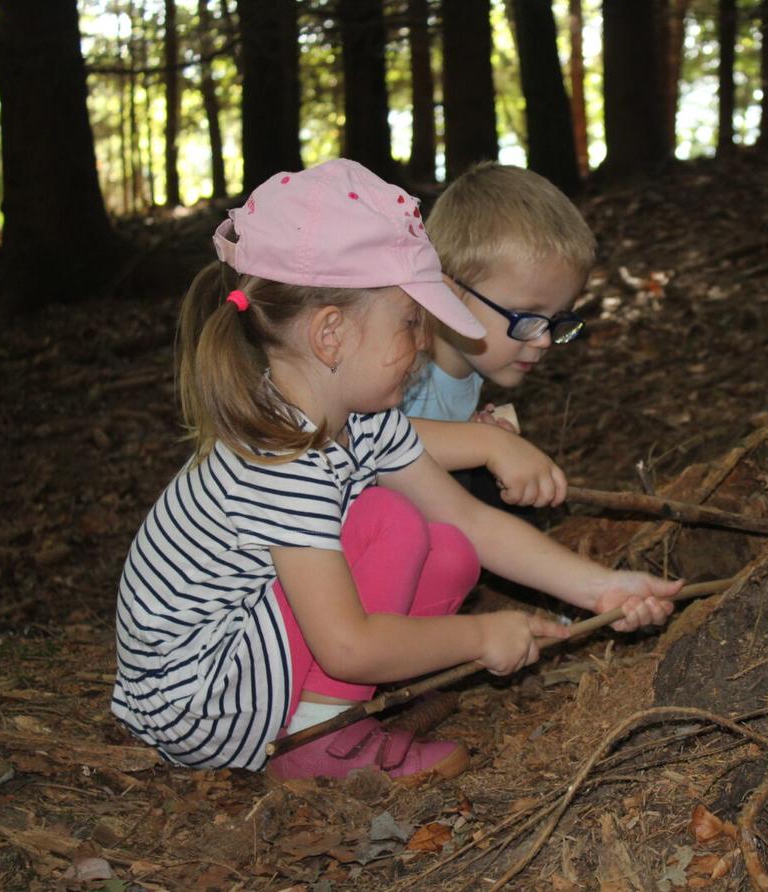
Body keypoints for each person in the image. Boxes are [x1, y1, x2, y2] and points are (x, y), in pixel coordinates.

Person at [111, 159, 679, 781]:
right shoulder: (281, 459)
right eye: (410, 323)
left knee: (451, 548)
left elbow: (470, 519)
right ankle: (319, 738)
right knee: (389, 519)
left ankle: (335, 711)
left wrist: (602, 589)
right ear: (331, 335)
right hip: (199, 702)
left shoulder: (363, 419)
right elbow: (346, 645)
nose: (423, 342)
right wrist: (480, 637)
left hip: (247, 666)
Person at [401, 162, 596, 510]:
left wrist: (473, 431)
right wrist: (484, 443)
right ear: (448, 297)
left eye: (556, 319)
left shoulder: (469, 368)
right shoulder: (400, 364)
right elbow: (356, 438)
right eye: (526, 317)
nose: (544, 341)